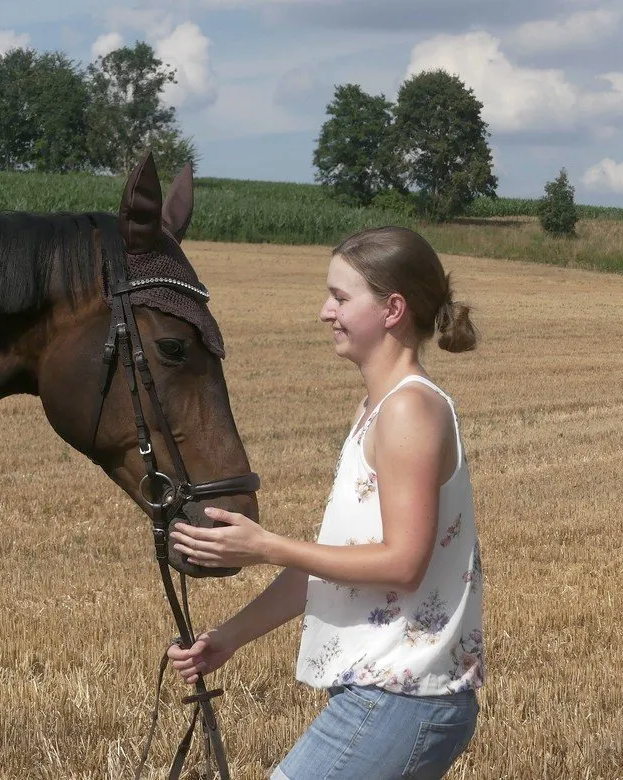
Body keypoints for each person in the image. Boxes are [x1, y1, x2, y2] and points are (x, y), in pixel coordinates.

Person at [168, 225, 485, 779]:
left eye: (340, 297)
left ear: (392, 309)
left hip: (402, 697)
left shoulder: (409, 411)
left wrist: (264, 546)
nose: (324, 311)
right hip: (391, 695)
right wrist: (226, 639)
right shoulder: (376, 409)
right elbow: (332, 565)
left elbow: (402, 563)